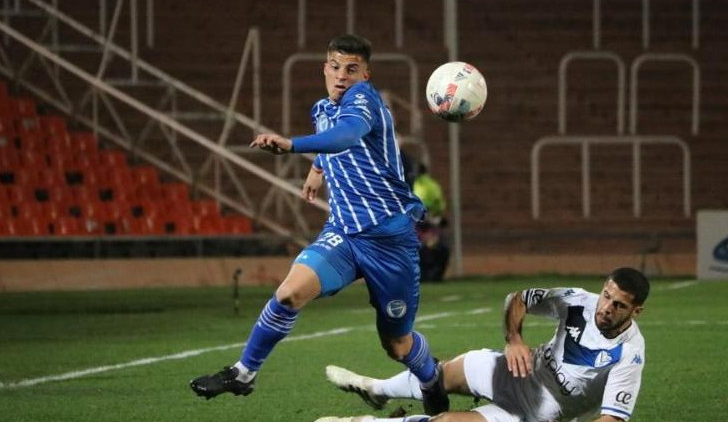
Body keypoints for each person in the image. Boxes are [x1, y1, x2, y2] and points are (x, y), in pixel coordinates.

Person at [189, 34, 449, 415]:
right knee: (288, 293)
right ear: (324, 68)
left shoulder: (365, 100)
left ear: (366, 73)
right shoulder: (322, 108)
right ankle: (244, 373)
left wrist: (295, 146)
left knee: (397, 345)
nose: (342, 76)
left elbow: (349, 134)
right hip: (343, 233)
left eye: (352, 69)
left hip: (389, 242)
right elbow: (334, 139)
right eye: (335, 67)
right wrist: (316, 168)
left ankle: (430, 379)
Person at [316, 267, 650, 422]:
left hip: (538, 412)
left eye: (618, 305)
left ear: (636, 311)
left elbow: (613, 420)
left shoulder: (629, 354)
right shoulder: (578, 300)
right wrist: (515, 338)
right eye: (607, 296)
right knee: (439, 375)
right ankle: (377, 389)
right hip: (519, 370)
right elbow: (518, 299)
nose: (606, 308)